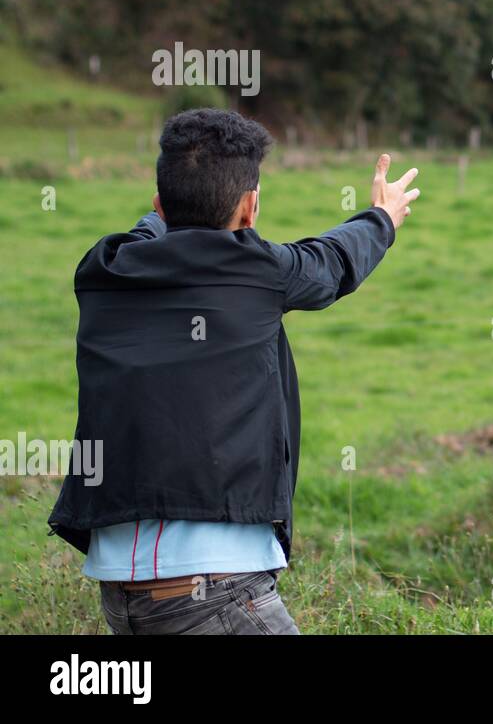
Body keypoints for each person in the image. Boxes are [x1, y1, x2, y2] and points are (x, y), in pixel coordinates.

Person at [47, 108, 419, 634]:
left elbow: (151, 231)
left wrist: (173, 212)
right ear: (250, 209)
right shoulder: (260, 271)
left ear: (159, 205)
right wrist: (381, 218)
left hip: (121, 590)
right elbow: (331, 262)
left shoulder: (104, 268)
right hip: (213, 588)